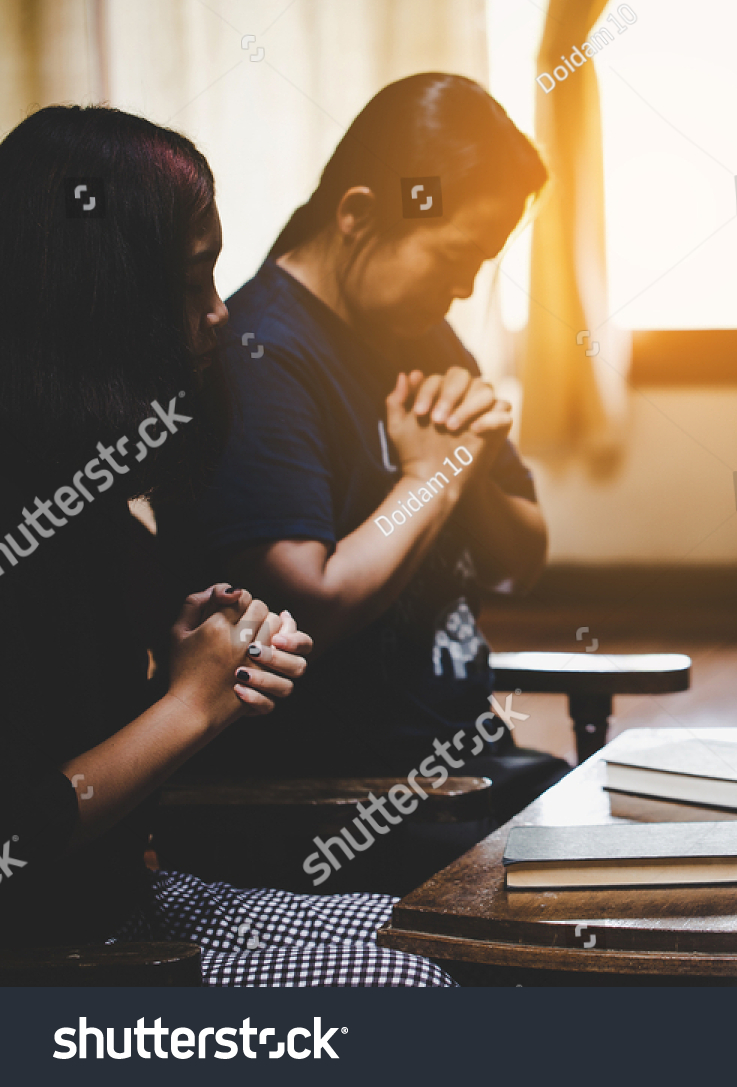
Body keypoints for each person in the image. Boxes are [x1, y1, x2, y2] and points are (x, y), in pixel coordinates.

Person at [0, 105, 452, 986]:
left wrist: (186, 664)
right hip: (68, 958)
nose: (218, 312)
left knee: (437, 942)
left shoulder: (85, 496)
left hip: (134, 900)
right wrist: (189, 707)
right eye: (192, 280)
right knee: (420, 985)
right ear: (103, 301)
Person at [155, 74, 568, 893]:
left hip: (473, 765)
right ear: (358, 217)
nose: (466, 288)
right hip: (348, 804)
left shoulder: (423, 333)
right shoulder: (260, 358)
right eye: (456, 257)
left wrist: (470, 465)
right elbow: (313, 602)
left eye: (484, 263)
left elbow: (524, 558)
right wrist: (434, 472)